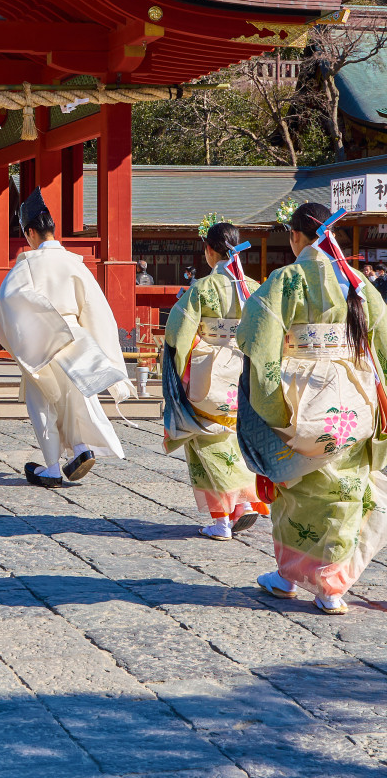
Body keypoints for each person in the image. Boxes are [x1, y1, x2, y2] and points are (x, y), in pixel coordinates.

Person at [236, 201, 387, 614]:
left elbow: (257, 338)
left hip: (302, 393)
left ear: (296, 236)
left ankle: (289, 577)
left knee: (295, 489)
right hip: (354, 394)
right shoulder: (356, 281)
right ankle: (331, 588)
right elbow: (382, 340)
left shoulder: (285, 280)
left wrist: (268, 403)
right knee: (347, 489)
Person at [0, 187, 133, 488]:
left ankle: (53, 466)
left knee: (43, 403)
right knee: (77, 398)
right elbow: (96, 309)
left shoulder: (27, 264)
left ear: (30, 231)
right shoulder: (75, 263)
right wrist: (102, 349)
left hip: (43, 341)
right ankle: (81, 448)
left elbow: (7, 302)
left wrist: (26, 334)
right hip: (76, 339)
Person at [163, 217, 269, 541]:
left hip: (210, 374)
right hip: (245, 374)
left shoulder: (203, 289)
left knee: (204, 441)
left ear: (209, 251)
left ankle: (223, 518)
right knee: (236, 439)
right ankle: (241, 506)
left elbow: (177, 335)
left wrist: (177, 371)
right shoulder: (252, 288)